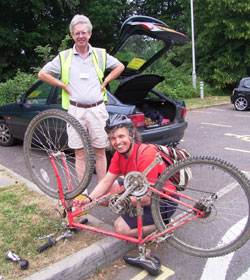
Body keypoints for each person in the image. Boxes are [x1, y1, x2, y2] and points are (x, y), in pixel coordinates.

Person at [38, 15, 125, 183]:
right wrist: (62, 85)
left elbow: (120, 66)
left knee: (100, 151)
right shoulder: (64, 57)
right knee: (80, 153)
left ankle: (102, 190)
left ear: (90, 34)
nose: (81, 36)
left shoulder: (100, 54)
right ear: (72, 35)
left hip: (97, 109)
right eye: (77, 33)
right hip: (75, 110)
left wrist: (106, 81)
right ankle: (82, 194)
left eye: (84, 33)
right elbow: (42, 74)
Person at [73, 114, 177, 237]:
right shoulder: (119, 155)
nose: (117, 142)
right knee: (109, 190)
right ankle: (136, 215)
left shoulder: (146, 155)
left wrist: (123, 201)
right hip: (139, 189)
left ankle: (162, 225)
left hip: (162, 200)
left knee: (121, 228)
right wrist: (89, 199)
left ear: (132, 135)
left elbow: (146, 198)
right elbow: (106, 182)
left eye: (121, 136)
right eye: (113, 138)